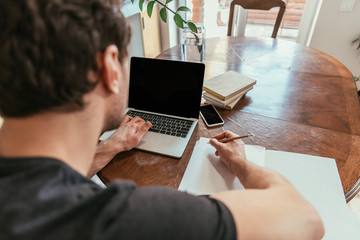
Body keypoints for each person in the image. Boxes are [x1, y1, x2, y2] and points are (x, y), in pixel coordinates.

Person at [0, 0, 324, 239]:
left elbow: (42, 182)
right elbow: (306, 219)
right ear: (110, 67)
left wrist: (111, 148)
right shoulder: (134, 220)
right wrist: (240, 165)